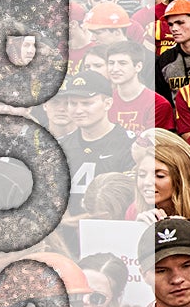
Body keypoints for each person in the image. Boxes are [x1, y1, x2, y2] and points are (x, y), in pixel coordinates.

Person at [55, 70, 138, 210]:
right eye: (72, 103)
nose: (78, 110)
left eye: (86, 103)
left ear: (107, 103)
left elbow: (131, 197)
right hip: (66, 227)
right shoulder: (60, 146)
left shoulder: (130, 144)